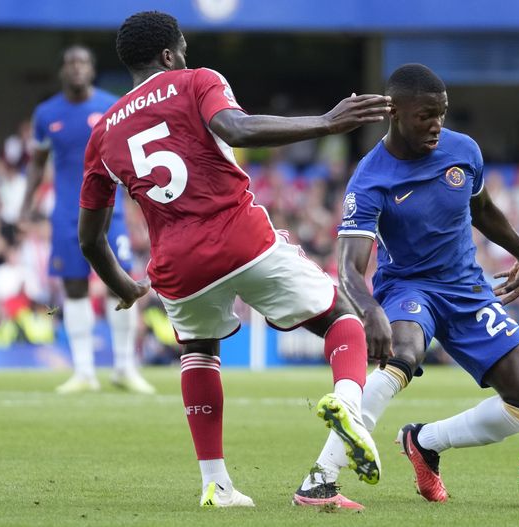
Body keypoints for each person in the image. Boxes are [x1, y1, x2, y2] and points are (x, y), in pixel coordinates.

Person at [77, 11, 392, 509]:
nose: (184, 55)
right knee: (342, 321)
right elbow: (237, 128)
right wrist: (326, 123)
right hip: (238, 236)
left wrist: (127, 288)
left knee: (199, 351)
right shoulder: (197, 80)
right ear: (168, 54)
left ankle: (216, 485)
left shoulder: (103, 133)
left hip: (177, 266)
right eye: (180, 48)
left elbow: (90, 239)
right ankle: (349, 403)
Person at [294, 64, 519, 508]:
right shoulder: (371, 176)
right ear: (394, 113)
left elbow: (484, 209)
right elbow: (349, 267)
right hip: (408, 288)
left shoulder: (463, 151)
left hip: (467, 291)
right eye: (425, 116)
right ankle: (320, 479)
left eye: (442, 113)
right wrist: (371, 310)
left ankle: (425, 441)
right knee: (403, 355)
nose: (437, 125)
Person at [20, 45, 155, 395]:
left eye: (83, 62)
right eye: (70, 63)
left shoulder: (111, 106)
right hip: (66, 212)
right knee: (74, 287)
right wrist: (25, 205)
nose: (77, 68)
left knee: (120, 283)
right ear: (63, 71)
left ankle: (125, 367)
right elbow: (37, 163)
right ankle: (84, 371)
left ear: (91, 70)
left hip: (110, 210)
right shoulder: (46, 113)